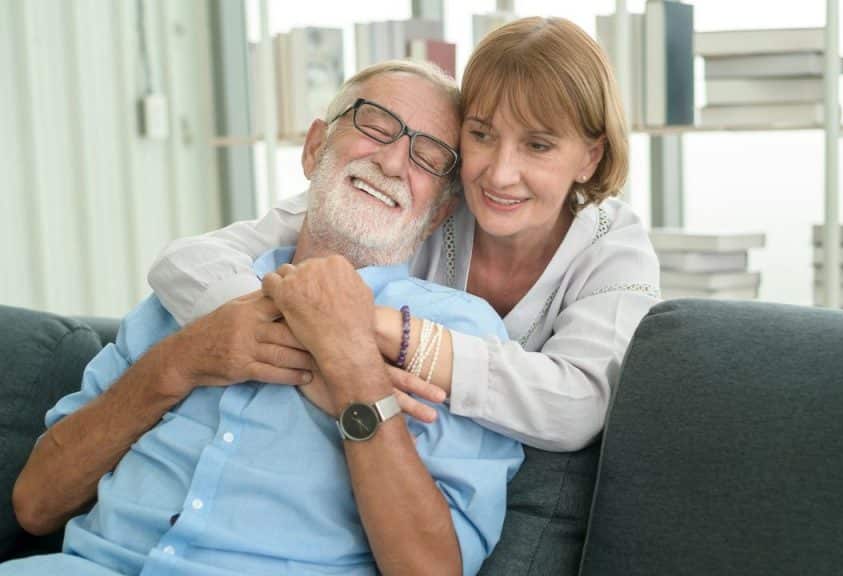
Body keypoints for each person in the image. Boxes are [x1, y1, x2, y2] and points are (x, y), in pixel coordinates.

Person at [6, 60, 522, 576]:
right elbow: (35, 504)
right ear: (315, 147)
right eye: (375, 127)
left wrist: (353, 370)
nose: (392, 162)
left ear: (437, 212)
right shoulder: (196, 292)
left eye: (428, 158)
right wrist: (181, 361)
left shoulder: (457, 338)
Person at [148, 17, 660, 452]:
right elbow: (187, 263)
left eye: (538, 146)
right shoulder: (423, 200)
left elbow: (576, 408)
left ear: (590, 156)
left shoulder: (613, 248)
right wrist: (325, 353)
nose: (501, 173)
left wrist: (373, 331)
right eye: (481, 134)